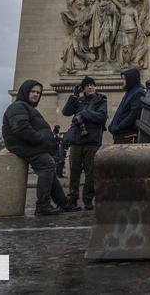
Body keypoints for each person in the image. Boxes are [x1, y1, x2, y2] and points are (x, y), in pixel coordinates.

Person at [2, 79, 71, 216]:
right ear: (25, 91)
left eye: (38, 93)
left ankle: (63, 203)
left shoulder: (27, 107)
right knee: (47, 164)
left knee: (49, 166)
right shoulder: (18, 106)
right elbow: (21, 129)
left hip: (29, 144)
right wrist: (41, 140)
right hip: (23, 145)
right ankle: (42, 206)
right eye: (33, 91)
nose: (36, 95)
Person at [61, 75, 107, 210]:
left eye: (92, 85)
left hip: (92, 141)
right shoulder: (78, 100)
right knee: (74, 172)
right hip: (76, 141)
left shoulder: (101, 100)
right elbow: (66, 112)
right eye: (87, 85)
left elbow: (102, 117)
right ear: (83, 89)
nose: (91, 87)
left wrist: (84, 114)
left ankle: (88, 199)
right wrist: (73, 96)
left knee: (91, 173)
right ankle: (72, 199)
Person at [108, 68, 146, 144]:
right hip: (121, 136)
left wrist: (118, 127)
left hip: (127, 137)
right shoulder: (130, 92)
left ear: (131, 79)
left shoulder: (138, 92)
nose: (122, 82)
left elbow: (134, 115)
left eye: (124, 79)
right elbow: (120, 113)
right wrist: (112, 126)